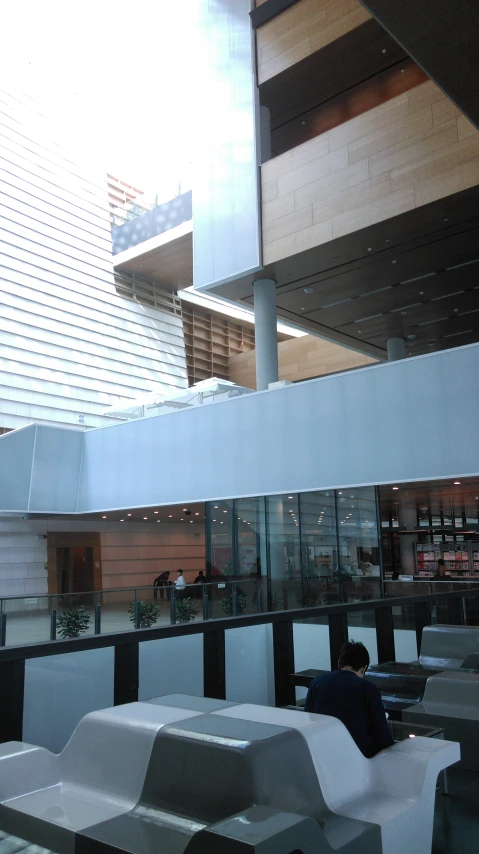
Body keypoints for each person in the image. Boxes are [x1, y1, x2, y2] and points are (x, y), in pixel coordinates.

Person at [305, 641, 393, 758]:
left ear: (339, 663)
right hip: (359, 756)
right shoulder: (368, 689)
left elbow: (308, 719)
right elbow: (383, 737)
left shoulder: (317, 682)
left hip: (323, 752)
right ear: (363, 669)